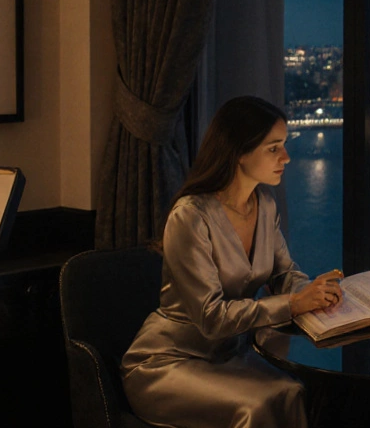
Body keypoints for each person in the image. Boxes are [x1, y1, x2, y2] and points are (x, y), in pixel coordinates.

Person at [120, 96, 343, 428]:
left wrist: (313, 291)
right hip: (167, 362)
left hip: (230, 356)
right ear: (239, 152)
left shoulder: (264, 206)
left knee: (294, 391)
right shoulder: (191, 217)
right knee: (255, 407)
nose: (286, 157)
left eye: (284, 145)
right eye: (273, 148)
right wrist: (294, 304)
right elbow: (211, 318)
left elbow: (284, 274)